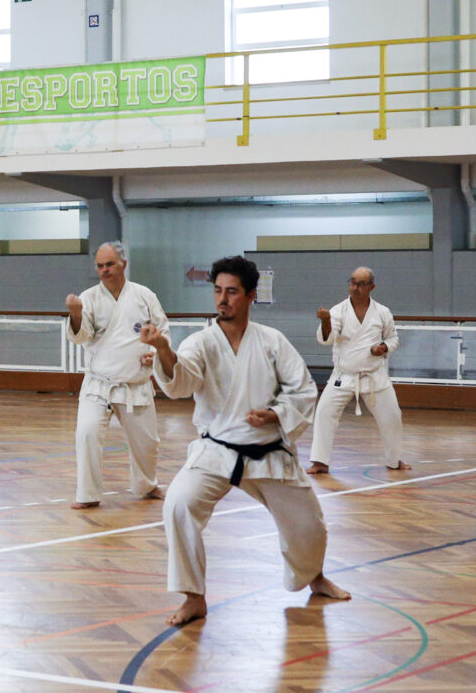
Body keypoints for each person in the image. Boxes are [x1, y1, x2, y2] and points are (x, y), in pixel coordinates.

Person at [146, 255, 345, 628]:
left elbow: (301, 391)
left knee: (309, 525)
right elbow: (182, 381)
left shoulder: (272, 342)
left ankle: (314, 579)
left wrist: (275, 414)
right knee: (178, 503)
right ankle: (194, 597)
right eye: (218, 291)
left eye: (232, 292)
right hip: (218, 448)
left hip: (267, 449)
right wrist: (163, 350)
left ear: (251, 295)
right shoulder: (202, 342)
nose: (222, 299)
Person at [66, 241, 167, 509]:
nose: (104, 270)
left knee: (147, 443)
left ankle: (147, 485)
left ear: (124, 264)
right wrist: (75, 314)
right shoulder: (89, 298)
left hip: (135, 382)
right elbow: (82, 337)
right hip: (98, 384)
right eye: (100, 266)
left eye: (110, 264)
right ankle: (87, 494)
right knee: (86, 433)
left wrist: (154, 351)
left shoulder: (144, 296)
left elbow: (162, 331)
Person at [306, 265, 408, 476]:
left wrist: (384, 347)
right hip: (344, 375)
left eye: (361, 284)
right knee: (325, 412)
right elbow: (327, 339)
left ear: (372, 286)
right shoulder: (337, 311)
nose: (355, 287)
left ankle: (394, 459)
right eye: (352, 282)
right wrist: (325, 321)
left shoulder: (382, 312)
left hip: (374, 376)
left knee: (393, 417)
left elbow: (392, 338)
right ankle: (320, 462)